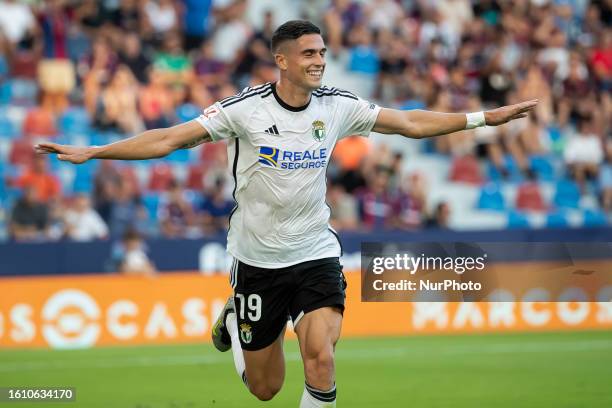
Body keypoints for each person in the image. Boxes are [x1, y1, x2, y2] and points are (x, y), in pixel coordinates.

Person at [35, 20, 537, 407]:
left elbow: (407, 122)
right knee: (265, 389)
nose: (320, 61)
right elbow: (168, 138)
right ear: (281, 60)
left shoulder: (336, 106)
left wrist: (481, 119)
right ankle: (235, 320)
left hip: (315, 250)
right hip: (256, 259)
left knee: (321, 356)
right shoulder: (244, 110)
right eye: (309, 53)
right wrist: (94, 152)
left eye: (322, 52)